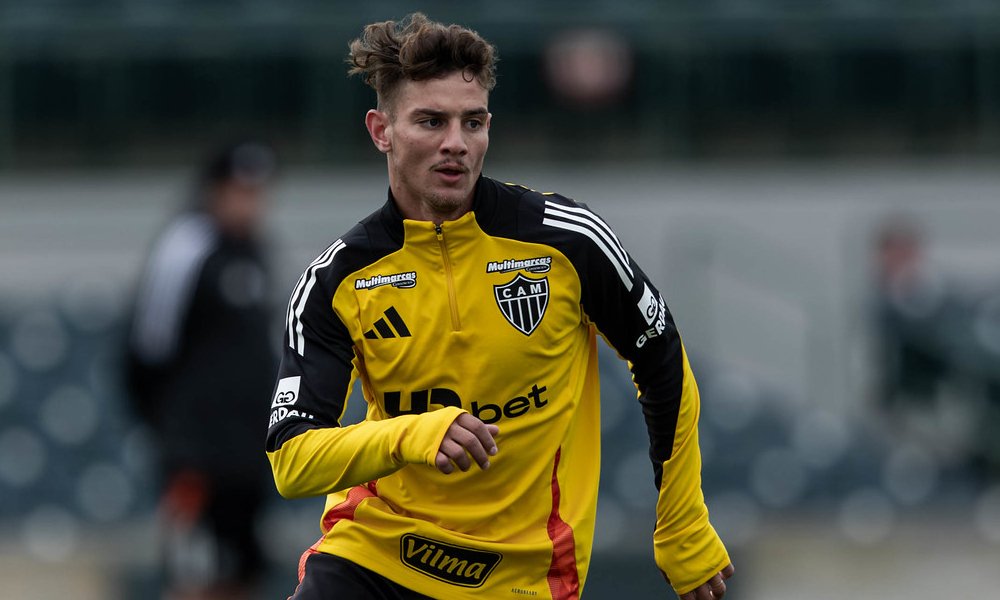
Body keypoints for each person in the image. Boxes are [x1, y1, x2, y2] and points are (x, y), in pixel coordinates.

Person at [266, 14, 732, 600]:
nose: (456, 142)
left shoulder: (568, 242)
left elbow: (663, 361)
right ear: (381, 130)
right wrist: (414, 435)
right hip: (378, 556)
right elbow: (292, 460)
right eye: (431, 121)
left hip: (524, 572)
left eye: (473, 121)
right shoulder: (337, 280)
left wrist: (682, 522)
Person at [125, 141, 278, 600]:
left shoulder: (255, 252)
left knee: (244, 569)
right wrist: (170, 431)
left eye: (258, 193)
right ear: (214, 190)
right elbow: (148, 344)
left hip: (248, 449)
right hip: (197, 450)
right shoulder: (186, 246)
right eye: (239, 191)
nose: (250, 204)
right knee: (193, 572)